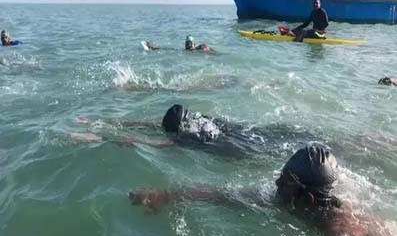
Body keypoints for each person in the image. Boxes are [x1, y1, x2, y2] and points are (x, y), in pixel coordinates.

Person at [129, 144, 397, 236]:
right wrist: (167, 195)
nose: (277, 185)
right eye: (281, 177)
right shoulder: (296, 202)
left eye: (286, 182)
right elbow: (226, 195)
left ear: (310, 199)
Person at [71, 104, 317, 158]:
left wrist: (101, 137)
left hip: (256, 150)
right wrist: (101, 119)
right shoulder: (202, 120)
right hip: (256, 133)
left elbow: (147, 143)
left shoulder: (194, 139)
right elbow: (150, 127)